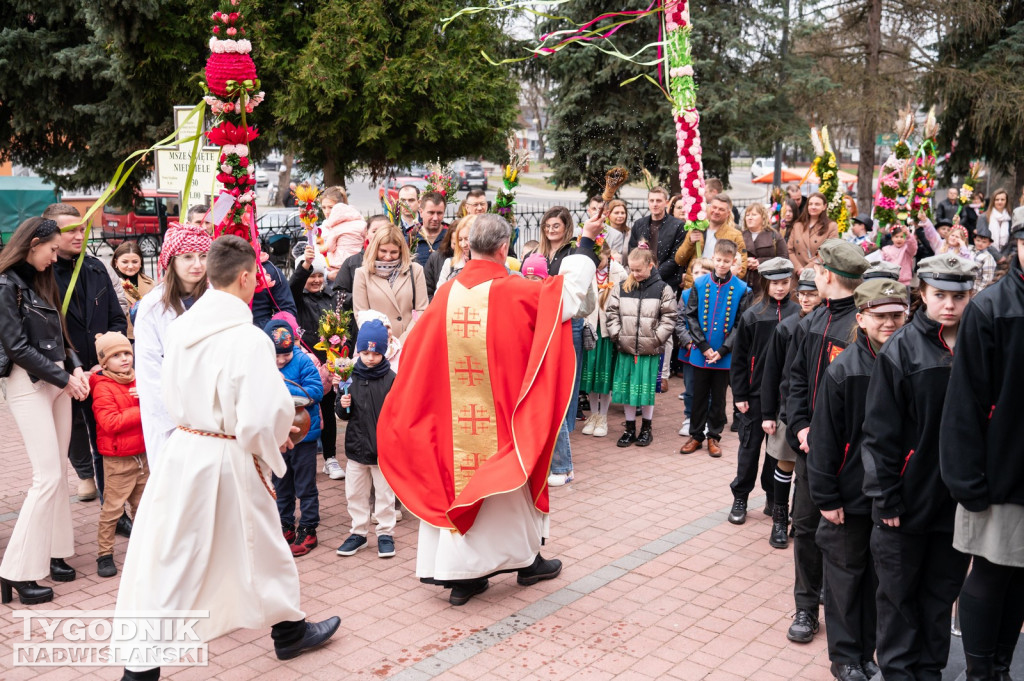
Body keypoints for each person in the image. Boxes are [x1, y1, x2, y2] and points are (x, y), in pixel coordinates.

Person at [113, 236, 340, 680]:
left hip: (185, 448)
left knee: (208, 550)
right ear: (245, 277)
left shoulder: (179, 326)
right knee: (203, 554)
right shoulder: (247, 339)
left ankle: (289, 629)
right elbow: (260, 416)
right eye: (256, 273)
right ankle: (141, 667)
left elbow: (165, 388)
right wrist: (280, 438)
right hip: (228, 456)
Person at [377, 214, 599, 606]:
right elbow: (571, 297)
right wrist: (584, 244)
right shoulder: (517, 291)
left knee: (458, 482)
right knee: (507, 485)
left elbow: (416, 358)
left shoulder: (446, 292)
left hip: (451, 424)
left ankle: (462, 577)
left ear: (467, 246)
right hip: (501, 418)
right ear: (503, 249)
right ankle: (525, 562)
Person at [861, 254, 978, 681]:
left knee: (941, 593)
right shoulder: (901, 348)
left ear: (971, 297)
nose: (949, 304)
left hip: (956, 502)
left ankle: (929, 671)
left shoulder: (979, 345)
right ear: (922, 295)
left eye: (959, 296)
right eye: (940, 295)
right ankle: (897, 672)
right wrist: (886, 496)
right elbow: (879, 433)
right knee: (897, 598)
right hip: (904, 503)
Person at [808, 279, 909, 681]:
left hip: (892, 495)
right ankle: (846, 657)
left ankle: (868, 652)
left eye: (896, 316)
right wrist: (826, 496)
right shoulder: (844, 369)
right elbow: (824, 440)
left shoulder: (910, 360)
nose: (889, 323)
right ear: (862, 318)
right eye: (880, 316)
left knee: (876, 581)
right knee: (845, 581)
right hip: (848, 497)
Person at [940, 223, 1024, 681]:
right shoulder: (991, 308)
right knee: (991, 573)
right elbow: (965, 402)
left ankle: (1001, 665)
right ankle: (977, 671)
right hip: (998, 474)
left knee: (1021, 574)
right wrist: (967, 478)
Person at [0, 217, 88, 605]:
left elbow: (60, 331)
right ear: (33, 243)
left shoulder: (38, 278)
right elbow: (17, 347)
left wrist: (76, 367)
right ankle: (16, 571)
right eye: (52, 249)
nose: (56, 257)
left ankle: (55, 551)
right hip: (29, 383)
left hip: (56, 381)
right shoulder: (5, 285)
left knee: (57, 474)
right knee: (47, 476)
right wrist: (64, 377)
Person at [785, 239, 868, 643]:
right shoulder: (811, 322)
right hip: (809, 450)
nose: (813, 276)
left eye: (817, 270)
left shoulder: (859, 328)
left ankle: (844, 611)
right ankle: (805, 606)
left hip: (849, 454)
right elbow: (796, 380)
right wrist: (799, 426)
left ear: (828, 275)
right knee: (804, 526)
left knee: (843, 534)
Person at [45, 203, 128, 502]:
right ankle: (83, 474)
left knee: (106, 437)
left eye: (82, 228)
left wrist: (107, 355)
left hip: (101, 373)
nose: (80, 235)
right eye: (71, 231)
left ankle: (113, 507)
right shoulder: (43, 273)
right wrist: (71, 367)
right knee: (73, 430)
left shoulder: (95, 268)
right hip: (63, 374)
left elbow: (117, 317)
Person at [134, 224, 212, 475]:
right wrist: (178, 418)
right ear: (171, 261)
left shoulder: (215, 298)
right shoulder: (152, 306)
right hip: (172, 418)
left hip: (213, 411)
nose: (197, 264)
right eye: (188, 257)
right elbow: (149, 371)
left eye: (203, 256)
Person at [727, 258, 796, 524]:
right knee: (749, 448)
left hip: (785, 396)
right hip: (754, 396)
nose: (780, 288)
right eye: (775, 283)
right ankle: (740, 496)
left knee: (776, 451)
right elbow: (740, 359)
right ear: (766, 283)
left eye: (784, 282)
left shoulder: (797, 314)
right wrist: (740, 395)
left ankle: (772, 495)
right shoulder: (752, 315)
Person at [760, 268, 820, 548]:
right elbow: (772, 373)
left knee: (807, 471)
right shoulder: (787, 327)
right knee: (785, 464)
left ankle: (800, 516)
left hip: (816, 410)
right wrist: (768, 414)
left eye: (812, 294)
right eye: (803, 295)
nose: (806, 300)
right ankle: (779, 519)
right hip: (787, 409)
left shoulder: (824, 326)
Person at [334, 319, 399, 560]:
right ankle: (358, 532)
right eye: (365, 352)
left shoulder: (392, 379)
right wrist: (342, 405)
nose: (370, 358)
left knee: (384, 495)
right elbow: (342, 414)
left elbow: (399, 414)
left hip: (383, 450)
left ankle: (385, 533)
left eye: (375, 353)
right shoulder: (348, 377)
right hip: (356, 448)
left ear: (384, 351)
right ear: (358, 351)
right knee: (355, 493)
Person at [679, 240, 751, 456]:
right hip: (701, 353)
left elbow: (741, 324)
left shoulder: (742, 289)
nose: (721, 264)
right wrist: (702, 346)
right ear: (713, 258)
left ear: (733, 261)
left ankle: (714, 437)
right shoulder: (699, 284)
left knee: (719, 398)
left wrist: (723, 350)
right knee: (698, 395)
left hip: (724, 355)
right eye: (718, 260)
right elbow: (690, 315)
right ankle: (696, 435)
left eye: (726, 261)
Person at [89, 331, 150, 579]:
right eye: (116, 355)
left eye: (127, 353)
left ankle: (143, 549)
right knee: (112, 510)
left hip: (142, 456)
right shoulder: (103, 387)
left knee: (143, 506)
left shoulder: (140, 380)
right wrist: (144, 408)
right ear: (104, 362)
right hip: (118, 460)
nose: (124, 359)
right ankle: (104, 554)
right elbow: (110, 422)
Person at [263, 319, 324, 557]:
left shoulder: (302, 361)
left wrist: (285, 387)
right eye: (276, 356)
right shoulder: (263, 365)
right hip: (277, 435)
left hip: (304, 435)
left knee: (305, 484)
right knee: (281, 482)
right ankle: (285, 524)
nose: (280, 361)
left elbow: (315, 392)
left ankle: (309, 528)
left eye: (285, 356)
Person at [605, 246, 677, 447]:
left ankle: (646, 428)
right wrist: (618, 335)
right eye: (631, 269)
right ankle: (629, 428)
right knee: (627, 390)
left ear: (650, 266)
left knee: (645, 391)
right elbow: (611, 313)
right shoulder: (622, 287)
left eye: (638, 270)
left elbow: (670, 317)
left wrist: (656, 338)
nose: (634, 274)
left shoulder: (663, 289)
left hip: (649, 349)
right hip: (626, 347)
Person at [288, 245, 341, 478]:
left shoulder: (332, 298)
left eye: (320, 275)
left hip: (327, 364)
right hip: (307, 366)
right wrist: (305, 266)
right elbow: (293, 285)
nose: (317, 280)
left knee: (328, 411)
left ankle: (330, 458)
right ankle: (301, 456)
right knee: (305, 409)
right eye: (312, 276)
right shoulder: (297, 298)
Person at [580, 242, 627, 438]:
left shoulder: (618, 272)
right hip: (591, 327)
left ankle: (603, 416)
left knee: (604, 374)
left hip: (607, 330)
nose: (598, 263)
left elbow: (624, 298)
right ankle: (593, 415)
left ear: (608, 256)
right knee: (591, 375)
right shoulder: (587, 270)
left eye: (601, 259)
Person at [353, 223, 427, 344]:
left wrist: (404, 340)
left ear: (401, 251)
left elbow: (421, 310)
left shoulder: (415, 270)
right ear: (375, 249)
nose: (387, 257)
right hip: (377, 345)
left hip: (409, 341)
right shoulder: (362, 274)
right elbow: (361, 315)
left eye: (393, 252)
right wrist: (383, 340)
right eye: (383, 251)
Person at [674, 194, 749, 290]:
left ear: (728, 213)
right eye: (714, 207)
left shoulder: (735, 235)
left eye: (721, 209)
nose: (716, 211)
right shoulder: (696, 229)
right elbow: (679, 259)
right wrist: (690, 242)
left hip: (719, 289)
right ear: (709, 208)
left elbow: (741, 266)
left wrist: (723, 279)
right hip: (693, 285)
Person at [675, 258, 712, 434]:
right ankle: (689, 417)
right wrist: (688, 342)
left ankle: (706, 419)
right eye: (696, 272)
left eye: (704, 273)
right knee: (690, 386)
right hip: (690, 350)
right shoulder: (685, 294)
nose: (699, 276)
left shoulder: (716, 295)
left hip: (711, 352)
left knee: (709, 388)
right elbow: (679, 321)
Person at [629, 186, 687, 291]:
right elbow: (633, 251)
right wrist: (642, 272)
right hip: (641, 281)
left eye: (659, 201)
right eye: (652, 200)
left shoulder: (677, 226)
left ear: (666, 202)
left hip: (668, 282)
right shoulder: (639, 224)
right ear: (648, 202)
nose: (655, 204)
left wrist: (653, 275)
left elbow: (676, 257)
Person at [111, 241, 156, 340]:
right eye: (125, 262)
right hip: (122, 337)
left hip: (148, 336)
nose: (130, 266)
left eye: (135, 262)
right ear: (116, 262)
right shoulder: (110, 284)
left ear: (141, 262)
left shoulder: (151, 284)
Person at [740, 203, 788, 291]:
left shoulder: (774, 235)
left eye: (754, 215)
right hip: (744, 283)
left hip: (766, 283)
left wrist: (760, 262)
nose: (750, 217)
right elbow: (732, 257)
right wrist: (744, 261)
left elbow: (784, 258)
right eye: (747, 215)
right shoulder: (740, 236)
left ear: (763, 217)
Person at [787, 192, 839, 271]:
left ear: (824, 207)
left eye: (817, 204)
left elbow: (828, 252)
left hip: (818, 273)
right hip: (797, 273)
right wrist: (798, 268)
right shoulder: (798, 225)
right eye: (810, 204)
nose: (813, 207)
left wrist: (807, 269)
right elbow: (789, 250)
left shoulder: (831, 226)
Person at [320, 202, 367, 282]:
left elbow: (330, 248)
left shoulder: (336, 228)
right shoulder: (362, 225)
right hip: (359, 260)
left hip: (340, 262)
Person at [408, 191, 447, 267]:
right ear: (421, 212)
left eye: (439, 213)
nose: (435, 218)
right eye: (431, 213)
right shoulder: (410, 237)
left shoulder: (451, 237)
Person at [438, 215, 475, 284]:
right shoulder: (449, 264)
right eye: (460, 240)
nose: (463, 244)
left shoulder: (489, 263)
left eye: (467, 239)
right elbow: (439, 293)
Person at [969, 225, 998, 293]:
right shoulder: (968, 249)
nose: (980, 243)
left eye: (984, 242)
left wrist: (978, 294)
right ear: (974, 239)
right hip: (963, 286)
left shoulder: (988, 257)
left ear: (989, 243)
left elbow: (987, 279)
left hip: (975, 289)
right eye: (978, 240)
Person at [983, 187, 1012, 253]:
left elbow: (1011, 240)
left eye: (1002, 199)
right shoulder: (984, 217)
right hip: (988, 254)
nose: (1000, 202)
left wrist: (1004, 256)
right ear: (993, 201)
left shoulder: (1010, 218)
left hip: (1005, 255)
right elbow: (982, 240)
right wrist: (998, 257)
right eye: (997, 199)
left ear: (1006, 201)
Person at [603, 199, 631, 263]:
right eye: (616, 213)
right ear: (608, 214)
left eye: (623, 213)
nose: (620, 216)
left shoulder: (630, 234)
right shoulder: (603, 232)